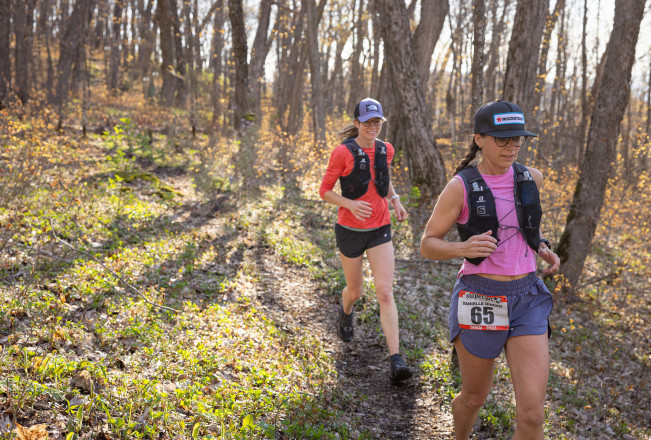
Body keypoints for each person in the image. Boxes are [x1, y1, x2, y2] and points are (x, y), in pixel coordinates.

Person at [420, 100, 560, 439]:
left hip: (527, 296)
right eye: (502, 139)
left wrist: (540, 246)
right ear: (479, 138)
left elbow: (524, 227)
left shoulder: (531, 178)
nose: (512, 147)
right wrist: (463, 248)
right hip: (480, 296)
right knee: (474, 397)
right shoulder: (460, 187)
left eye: (518, 139)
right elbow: (427, 243)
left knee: (533, 414)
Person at [319, 97, 412, 383]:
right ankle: (346, 309)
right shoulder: (342, 153)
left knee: (384, 291)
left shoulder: (387, 150)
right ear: (357, 123)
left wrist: (394, 200)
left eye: (377, 122)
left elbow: (382, 178)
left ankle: (396, 358)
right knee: (355, 291)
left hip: (380, 228)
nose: (373, 127)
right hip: (350, 230)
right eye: (367, 122)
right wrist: (349, 204)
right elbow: (324, 191)